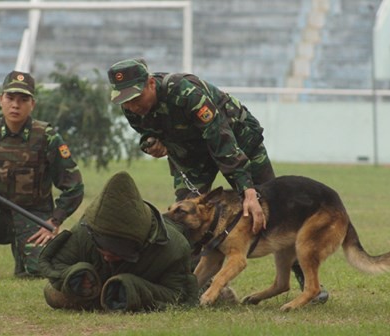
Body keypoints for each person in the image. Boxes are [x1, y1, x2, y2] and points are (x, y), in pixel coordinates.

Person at [107, 58, 328, 304]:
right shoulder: (131, 107)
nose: (132, 105)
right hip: (192, 156)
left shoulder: (186, 92)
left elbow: (222, 143)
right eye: (125, 100)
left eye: (136, 98)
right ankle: (191, 288)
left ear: (150, 83)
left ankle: (308, 284)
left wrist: (249, 192)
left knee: (273, 212)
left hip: (238, 143)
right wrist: (152, 144)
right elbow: (148, 132)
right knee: (183, 220)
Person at [0, 70, 84, 280]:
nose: (15, 105)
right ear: (1, 100)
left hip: (33, 219)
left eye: (23, 99)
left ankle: (26, 258)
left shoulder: (48, 137)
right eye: (10, 98)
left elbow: (74, 186)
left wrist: (55, 221)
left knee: (38, 271)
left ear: (33, 104)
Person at [39, 171, 198, 312]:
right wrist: (76, 276)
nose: (107, 257)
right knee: (54, 295)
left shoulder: (173, 248)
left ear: (137, 244)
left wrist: (134, 288)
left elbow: (178, 296)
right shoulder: (84, 231)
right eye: (102, 250)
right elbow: (56, 266)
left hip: (149, 285)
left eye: (116, 254)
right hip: (94, 289)